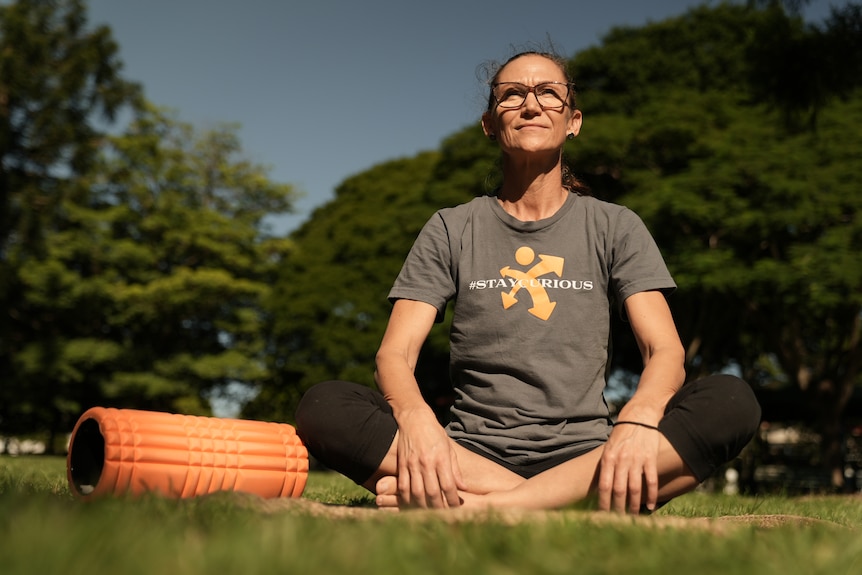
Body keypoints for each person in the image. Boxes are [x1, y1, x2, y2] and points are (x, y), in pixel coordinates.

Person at [295, 49, 761, 514]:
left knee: (731, 402)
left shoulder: (615, 226)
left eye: (548, 94)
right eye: (512, 95)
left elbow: (666, 351)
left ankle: (482, 509)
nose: (531, 105)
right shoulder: (452, 227)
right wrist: (419, 424)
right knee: (325, 407)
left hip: (587, 454)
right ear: (489, 124)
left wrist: (637, 418)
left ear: (573, 120)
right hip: (467, 455)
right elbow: (394, 354)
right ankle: (571, 505)